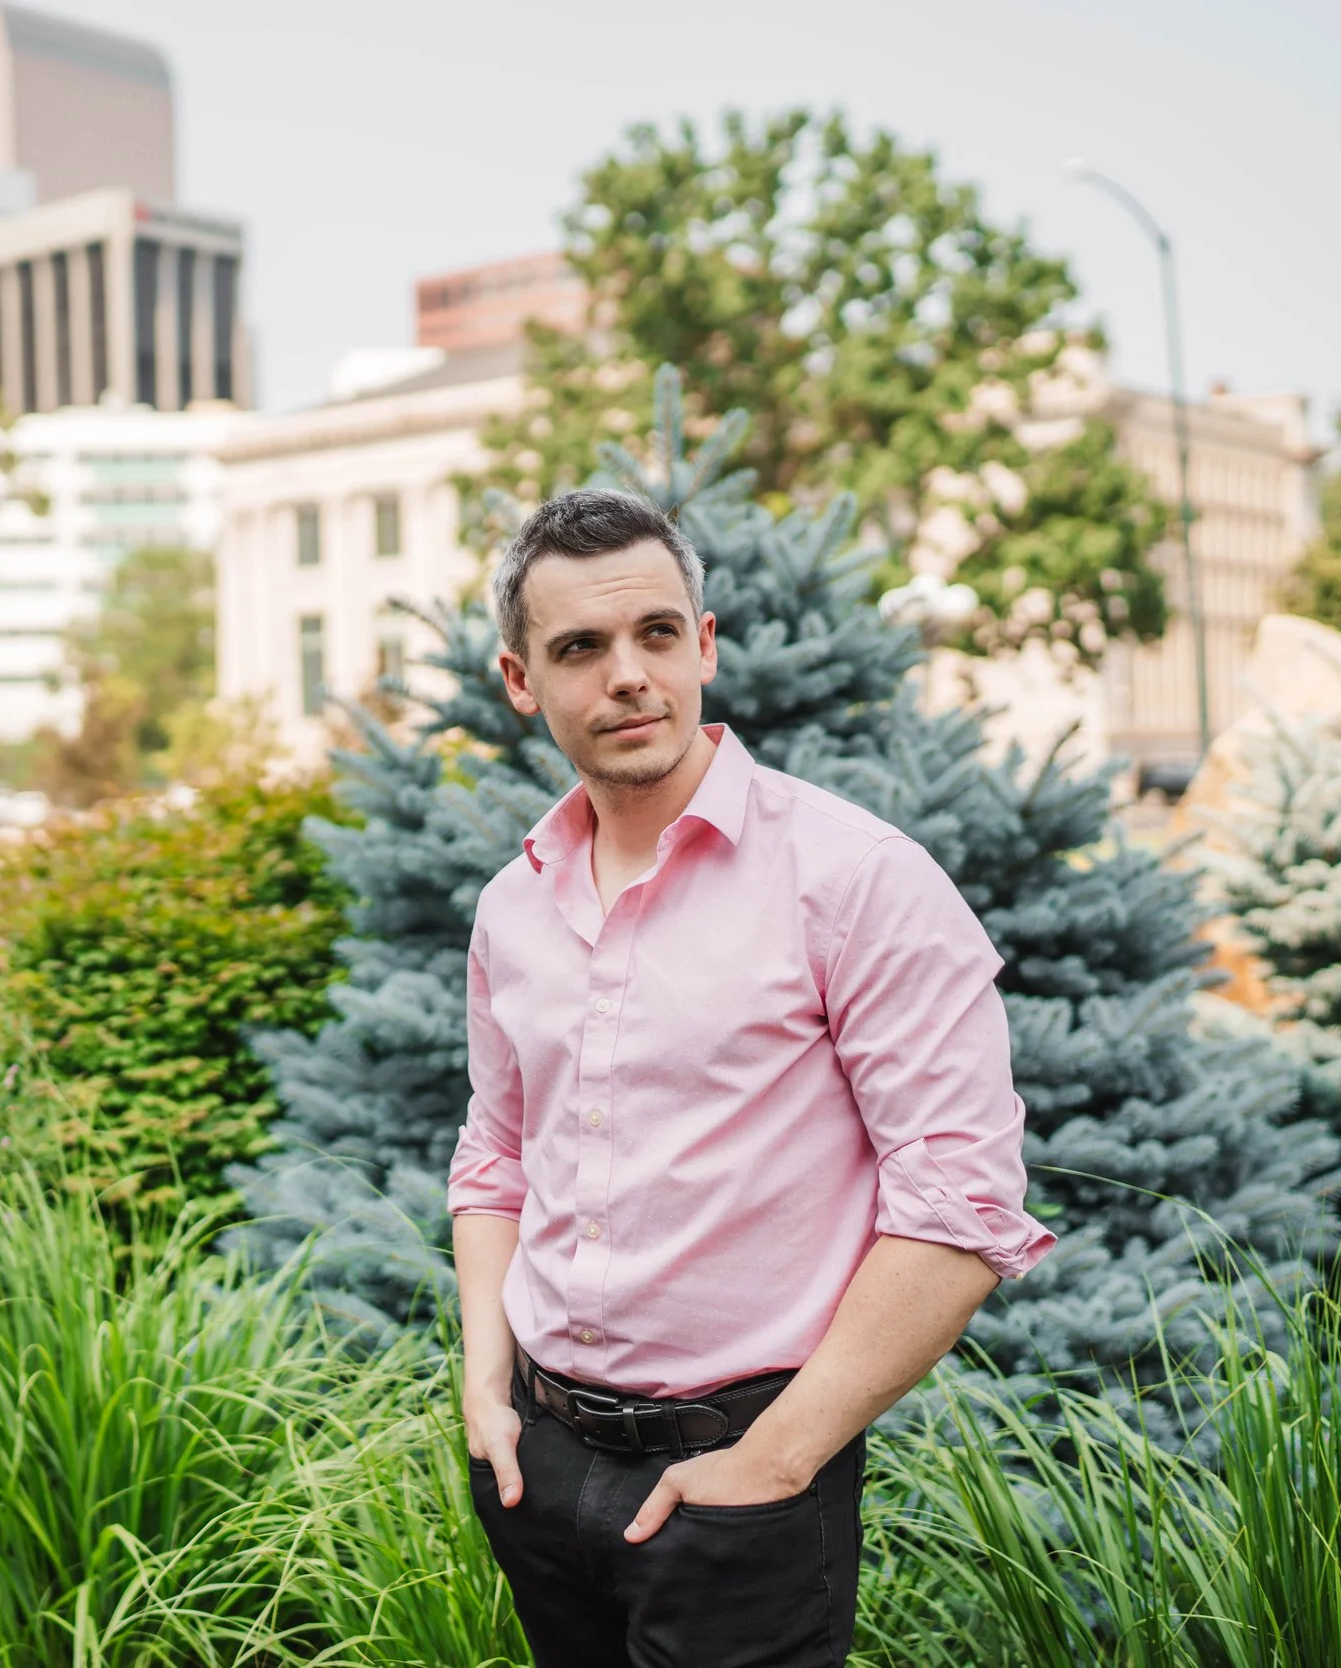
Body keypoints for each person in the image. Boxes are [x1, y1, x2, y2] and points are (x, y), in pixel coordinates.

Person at [451, 488, 1054, 1667]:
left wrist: (775, 1462)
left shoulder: (859, 880)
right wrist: (486, 1391)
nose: (627, 675)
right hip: (537, 1463)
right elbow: (495, 1157)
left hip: (745, 1479)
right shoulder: (511, 904)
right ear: (522, 680)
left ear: (705, 645)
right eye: (580, 648)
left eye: (656, 635)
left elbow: (961, 1206)